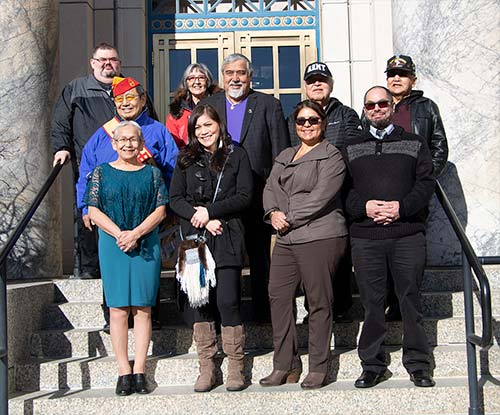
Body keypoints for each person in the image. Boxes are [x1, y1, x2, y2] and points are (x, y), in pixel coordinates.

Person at [344, 86, 436, 389]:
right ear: (365, 109)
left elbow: (426, 183)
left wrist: (402, 208)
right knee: (372, 303)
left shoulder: (414, 142)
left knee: (410, 299)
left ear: (392, 106)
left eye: (382, 103)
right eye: (370, 105)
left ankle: (419, 363)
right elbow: (342, 190)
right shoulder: (351, 145)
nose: (377, 109)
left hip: (406, 234)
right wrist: (365, 207)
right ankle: (373, 364)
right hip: (366, 237)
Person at [260, 100, 348, 390]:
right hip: (285, 236)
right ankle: (285, 364)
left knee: (318, 301)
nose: (307, 125)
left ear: (322, 123)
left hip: (319, 235)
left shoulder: (331, 155)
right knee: (278, 296)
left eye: (313, 120)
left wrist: (289, 218)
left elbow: (322, 196)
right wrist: (272, 213)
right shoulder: (286, 154)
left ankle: (319, 367)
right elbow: (270, 187)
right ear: (294, 124)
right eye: (301, 121)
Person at [51, 42, 158, 279]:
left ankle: (131, 265)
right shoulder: (76, 88)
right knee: (89, 216)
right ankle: (89, 270)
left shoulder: (133, 88)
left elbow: (151, 123)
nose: (107, 64)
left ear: (119, 63)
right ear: (93, 63)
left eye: (112, 60)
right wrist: (61, 147)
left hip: (132, 167)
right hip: (90, 165)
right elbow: (60, 121)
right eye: (102, 60)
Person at [169, 104, 253, 392]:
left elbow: (244, 195)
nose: (204, 131)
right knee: (200, 301)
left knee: (227, 301)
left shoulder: (237, 155)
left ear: (219, 125)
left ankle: (235, 367)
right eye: (198, 127)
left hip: (228, 235)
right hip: (195, 238)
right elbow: (175, 199)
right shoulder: (184, 159)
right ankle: (207, 367)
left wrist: (212, 212)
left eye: (209, 125)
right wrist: (200, 217)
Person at [201, 53, 290, 322]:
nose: (235, 78)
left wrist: (278, 197)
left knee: (260, 258)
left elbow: (280, 154)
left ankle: (263, 314)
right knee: (222, 261)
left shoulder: (268, 105)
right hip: (220, 200)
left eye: (241, 73)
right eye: (229, 73)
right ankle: (222, 317)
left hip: (257, 195)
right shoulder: (210, 104)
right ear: (222, 77)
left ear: (250, 77)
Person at [84, 121, 168, 396]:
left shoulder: (152, 174)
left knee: (143, 308)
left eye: (134, 139)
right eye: (123, 140)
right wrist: (121, 233)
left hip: (145, 243)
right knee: (118, 309)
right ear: (114, 144)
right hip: (113, 244)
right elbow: (93, 211)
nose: (128, 144)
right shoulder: (100, 173)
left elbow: (160, 210)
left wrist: (137, 233)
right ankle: (123, 371)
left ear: (141, 143)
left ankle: (141, 370)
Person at [288, 61, 361, 320]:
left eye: (322, 79)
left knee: (338, 257)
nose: (316, 84)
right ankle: (313, 309)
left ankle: (341, 308)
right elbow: (290, 156)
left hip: (340, 197)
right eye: (311, 80)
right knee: (310, 258)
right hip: (307, 201)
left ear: (330, 84)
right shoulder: (295, 116)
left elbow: (353, 154)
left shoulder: (347, 115)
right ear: (305, 86)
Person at [384, 54, 449, 321]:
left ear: (413, 79)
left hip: (413, 194)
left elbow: (440, 147)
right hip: (382, 191)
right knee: (384, 249)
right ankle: (388, 301)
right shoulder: (377, 105)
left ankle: (406, 303)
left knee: (410, 251)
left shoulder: (426, 107)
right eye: (391, 74)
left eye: (402, 74)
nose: (396, 78)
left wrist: (424, 181)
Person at [166, 63, 221, 148]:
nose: (197, 82)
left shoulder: (219, 104)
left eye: (201, 78)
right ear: (186, 83)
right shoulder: (177, 111)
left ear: (207, 81)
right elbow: (172, 143)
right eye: (191, 78)